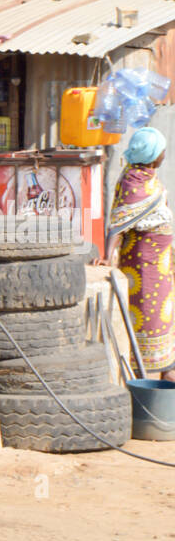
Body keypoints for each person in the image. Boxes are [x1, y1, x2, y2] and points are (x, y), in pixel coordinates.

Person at [105, 126, 175, 382]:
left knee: (164, 318)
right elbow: (120, 222)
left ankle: (168, 370)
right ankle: (141, 378)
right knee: (146, 316)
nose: (165, 154)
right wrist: (107, 254)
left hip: (161, 266)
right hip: (143, 268)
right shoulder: (133, 181)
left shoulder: (147, 176)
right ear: (152, 154)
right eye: (162, 151)